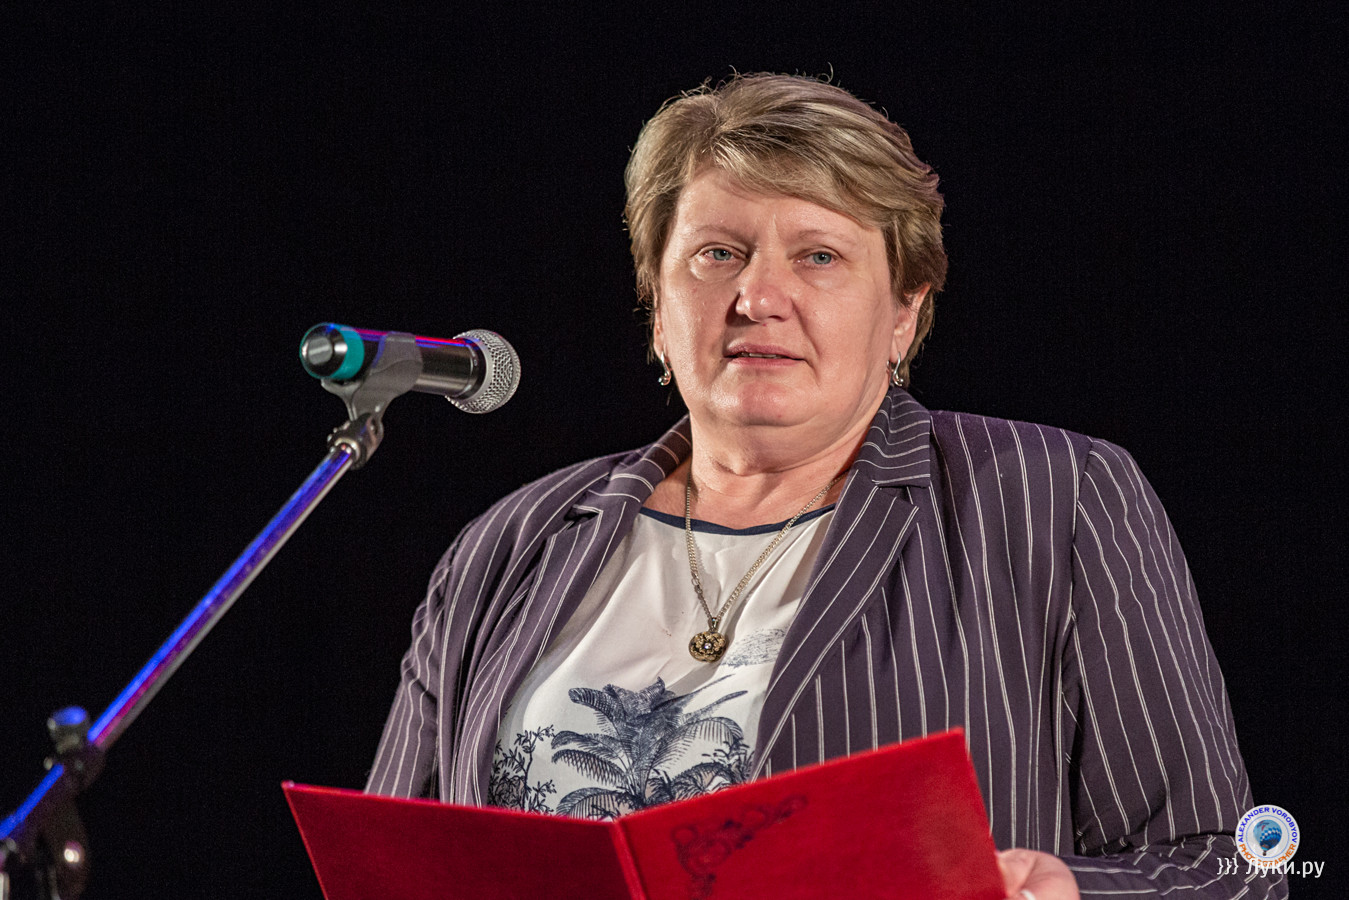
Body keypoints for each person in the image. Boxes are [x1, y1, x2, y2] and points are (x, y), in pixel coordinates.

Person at [366, 74, 1282, 899]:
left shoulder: (1052, 498)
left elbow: (1229, 864)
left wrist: (1063, 893)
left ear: (904, 311)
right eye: (717, 253)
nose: (758, 297)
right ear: (656, 308)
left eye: (818, 257)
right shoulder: (511, 543)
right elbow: (386, 866)